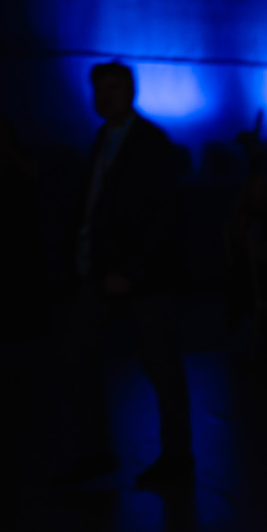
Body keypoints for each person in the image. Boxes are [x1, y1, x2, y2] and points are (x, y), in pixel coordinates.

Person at [62, 61, 194, 490]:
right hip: (106, 272)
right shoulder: (107, 138)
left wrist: (130, 269)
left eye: (113, 88)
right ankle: (99, 451)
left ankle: (174, 456)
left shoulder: (148, 142)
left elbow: (162, 214)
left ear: (130, 91)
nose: (105, 97)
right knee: (83, 356)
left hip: (138, 275)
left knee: (159, 363)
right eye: (101, 90)